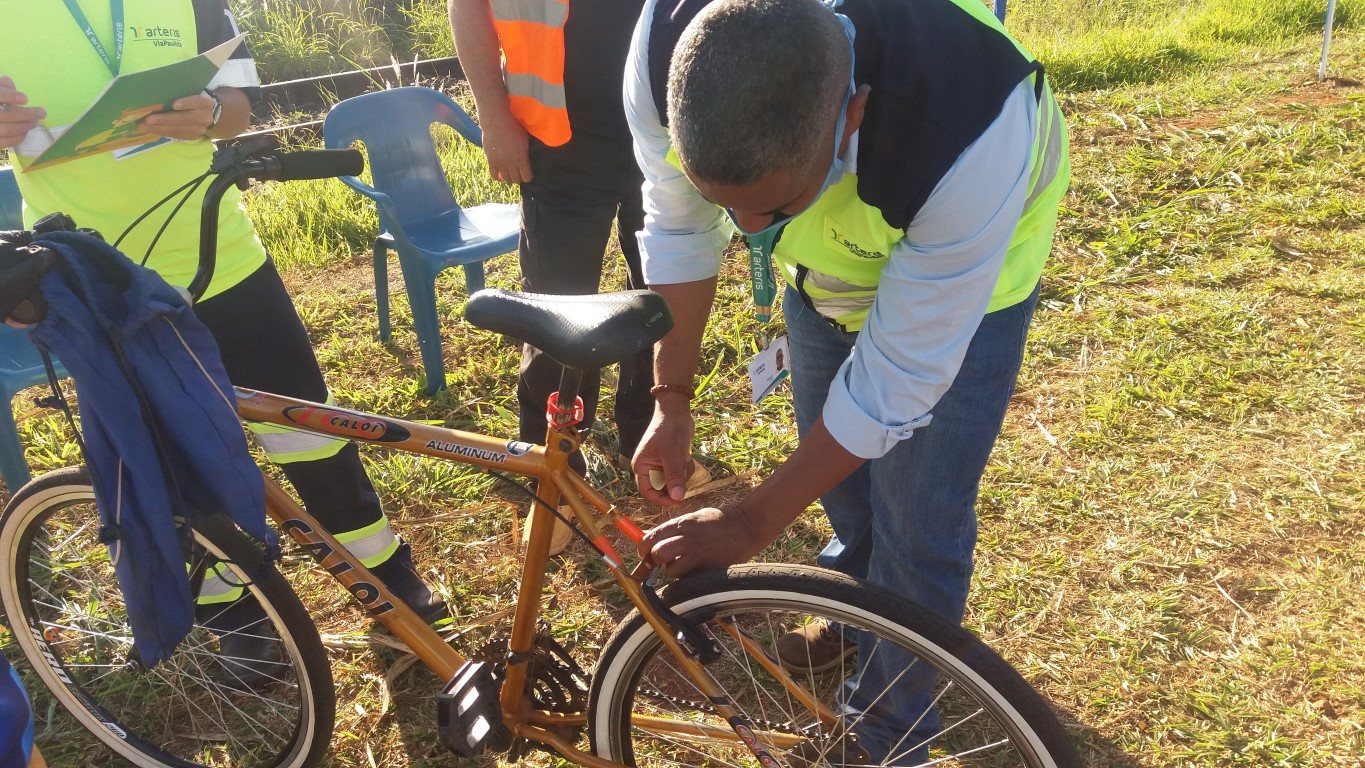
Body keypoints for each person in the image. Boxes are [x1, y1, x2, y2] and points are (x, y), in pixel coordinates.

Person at [624, 0, 1070, 760]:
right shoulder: (663, 48)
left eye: (769, 208)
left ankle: (887, 735)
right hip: (830, 267)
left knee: (919, 522)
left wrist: (747, 524)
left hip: (969, 281)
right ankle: (855, 606)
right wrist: (669, 399)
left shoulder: (967, 121)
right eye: (722, 201)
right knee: (845, 484)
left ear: (851, 114)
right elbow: (676, 225)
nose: (747, 232)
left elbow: (897, 379)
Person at [0, 0, 445, 685]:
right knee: (170, 462)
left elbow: (241, 104)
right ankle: (234, 615)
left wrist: (210, 115)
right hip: (90, 279)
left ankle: (385, 574)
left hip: (224, 254)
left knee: (310, 431)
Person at [448, 0, 708, 552]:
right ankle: (555, 468)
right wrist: (494, 117)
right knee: (554, 306)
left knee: (658, 296)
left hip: (666, 132)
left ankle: (644, 432)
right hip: (559, 140)